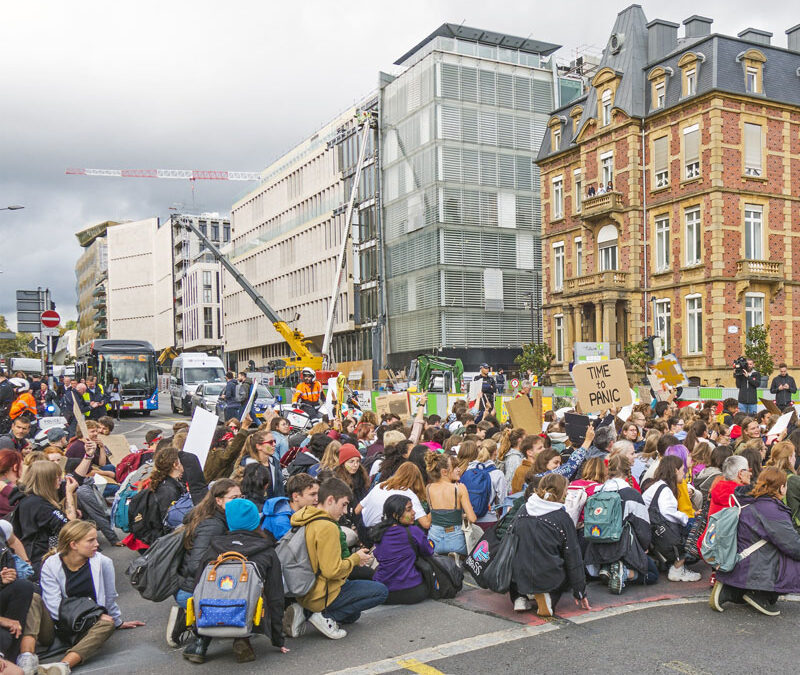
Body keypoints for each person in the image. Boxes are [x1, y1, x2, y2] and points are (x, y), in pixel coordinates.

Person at [283, 478, 388, 640]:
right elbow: (332, 571)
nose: (345, 511)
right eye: (344, 504)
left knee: (353, 616)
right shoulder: (327, 526)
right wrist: (355, 558)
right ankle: (317, 615)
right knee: (381, 591)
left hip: (306, 588)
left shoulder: (307, 517)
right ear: (330, 500)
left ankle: (307, 610)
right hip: (323, 592)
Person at [184, 499, 287, 664]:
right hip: (246, 614)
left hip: (212, 612)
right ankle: (242, 638)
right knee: (260, 594)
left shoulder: (213, 549)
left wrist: (197, 630)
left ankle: (200, 643)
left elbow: (198, 589)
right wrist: (278, 638)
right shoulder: (267, 552)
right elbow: (276, 596)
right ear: (255, 520)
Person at [38, 521, 144, 674]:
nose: (97, 544)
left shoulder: (103, 562)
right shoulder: (51, 564)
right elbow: (53, 606)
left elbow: (109, 597)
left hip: (89, 625)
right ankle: (27, 656)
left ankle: (63, 666)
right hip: (60, 622)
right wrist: (93, 615)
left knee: (108, 624)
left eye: (96, 539)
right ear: (73, 544)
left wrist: (117, 621)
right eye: (91, 540)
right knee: (34, 598)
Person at [711, 467, 800, 616]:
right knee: (791, 557)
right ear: (781, 487)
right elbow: (792, 545)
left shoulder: (748, 499)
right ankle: (763, 596)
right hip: (752, 562)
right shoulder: (771, 509)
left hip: (737, 559)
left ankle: (730, 590)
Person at [510, 473, 590, 617]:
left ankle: (519, 597)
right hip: (547, 573)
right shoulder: (562, 517)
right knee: (563, 564)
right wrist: (580, 591)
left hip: (520, 572)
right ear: (562, 492)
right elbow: (573, 555)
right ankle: (549, 598)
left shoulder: (523, 510)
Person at [584, 455, 655, 594]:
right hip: (622, 547)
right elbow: (643, 526)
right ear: (628, 471)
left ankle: (607, 567)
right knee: (652, 574)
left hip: (596, 547)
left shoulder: (598, 491)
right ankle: (625, 572)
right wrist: (644, 547)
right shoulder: (631, 493)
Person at [641, 456, 701, 582]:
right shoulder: (664, 489)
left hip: (653, 533)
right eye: (682, 470)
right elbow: (667, 512)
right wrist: (686, 518)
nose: (684, 474)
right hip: (662, 535)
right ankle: (678, 568)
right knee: (699, 527)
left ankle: (675, 564)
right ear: (675, 470)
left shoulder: (657, 486)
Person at [371, 495, 434, 604]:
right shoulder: (413, 531)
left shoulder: (379, 532)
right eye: (409, 510)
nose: (414, 512)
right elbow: (428, 551)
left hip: (384, 594)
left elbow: (379, 555)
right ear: (396, 515)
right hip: (413, 592)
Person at [425, 453, 476, 555]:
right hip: (455, 539)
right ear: (444, 472)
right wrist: (463, 515)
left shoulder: (429, 488)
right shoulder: (460, 488)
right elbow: (473, 518)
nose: (459, 470)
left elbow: (437, 513)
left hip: (434, 539)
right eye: (455, 467)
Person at [356, 462, 431, 529]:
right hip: (383, 534)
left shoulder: (381, 485)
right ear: (417, 481)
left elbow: (357, 510)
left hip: (364, 531)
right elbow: (426, 524)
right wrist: (437, 508)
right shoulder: (408, 494)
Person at [233, 429, 285, 498]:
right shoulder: (248, 465)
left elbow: (279, 489)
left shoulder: (275, 462)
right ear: (258, 446)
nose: (274, 444)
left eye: (274, 441)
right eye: (270, 442)